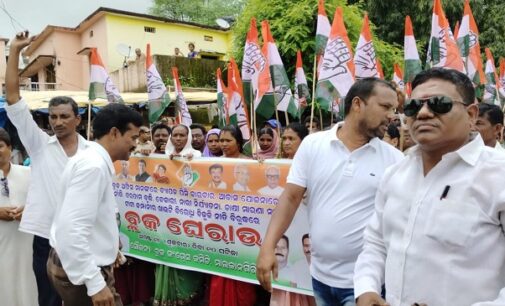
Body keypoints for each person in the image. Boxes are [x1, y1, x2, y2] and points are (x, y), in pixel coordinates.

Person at [354, 68, 505, 306]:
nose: (423, 113)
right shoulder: (395, 174)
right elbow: (375, 242)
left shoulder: (498, 174)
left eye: (439, 103)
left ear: (471, 114)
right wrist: (366, 288)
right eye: (414, 106)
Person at [256, 78, 403, 306]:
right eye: (385, 107)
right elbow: (290, 198)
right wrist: (268, 246)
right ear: (357, 104)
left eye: (394, 109)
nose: (392, 115)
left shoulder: (395, 160)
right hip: (320, 277)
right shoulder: (313, 145)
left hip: (365, 286)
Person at [5, 31, 89, 306]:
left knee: (84, 297)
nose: (58, 122)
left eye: (65, 116)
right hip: (46, 237)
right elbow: (15, 100)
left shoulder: (93, 154)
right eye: (53, 117)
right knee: (48, 299)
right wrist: (15, 51)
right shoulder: (39, 145)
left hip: (81, 237)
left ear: (78, 119)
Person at [47, 103, 142, 306]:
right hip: (84, 270)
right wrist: (95, 283)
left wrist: (110, 247)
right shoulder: (93, 166)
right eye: (133, 138)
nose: (136, 144)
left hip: (76, 263)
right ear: (115, 133)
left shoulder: (92, 160)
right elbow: (72, 228)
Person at [208, 124, 257, 306]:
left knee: (242, 271)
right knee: (220, 268)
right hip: (220, 226)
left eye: (228, 140)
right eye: (221, 140)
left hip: (244, 225)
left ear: (238, 142)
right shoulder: (212, 164)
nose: (223, 144)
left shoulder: (250, 163)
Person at [0, 128, 37, 306]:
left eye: (0, 146)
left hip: (24, 244)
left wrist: (27, 211)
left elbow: (44, 204)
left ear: (10, 148)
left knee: (24, 285)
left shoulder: (28, 174)